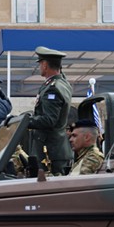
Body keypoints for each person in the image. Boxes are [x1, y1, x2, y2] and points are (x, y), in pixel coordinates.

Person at [29, 46, 73, 175]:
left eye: (40, 64)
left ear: (45, 65)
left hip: (50, 151)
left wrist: (26, 121)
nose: (39, 67)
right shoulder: (62, 83)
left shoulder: (52, 89)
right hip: (56, 149)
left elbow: (49, 120)